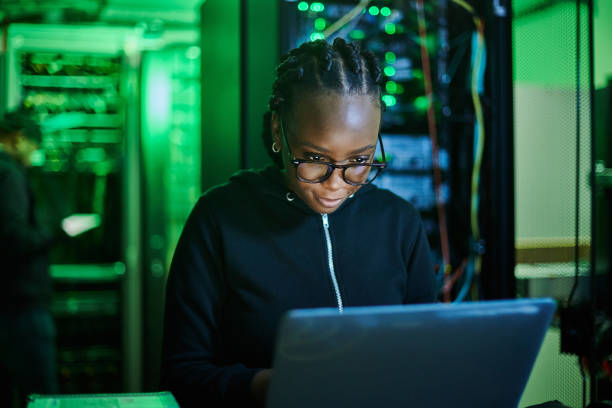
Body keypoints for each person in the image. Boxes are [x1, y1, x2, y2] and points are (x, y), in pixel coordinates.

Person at [160, 38, 437, 408]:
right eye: (314, 158)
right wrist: (264, 386)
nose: (336, 183)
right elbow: (181, 373)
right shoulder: (219, 219)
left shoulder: (398, 221)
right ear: (279, 131)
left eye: (360, 160)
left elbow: (427, 352)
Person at [0, 111, 60, 407]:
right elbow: (14, 237)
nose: (35, 155)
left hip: (9, 303)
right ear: (19, 138)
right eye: (35, 147)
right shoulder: (9, 174)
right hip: (22, 306)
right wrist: (58, 233)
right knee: (42, 395)